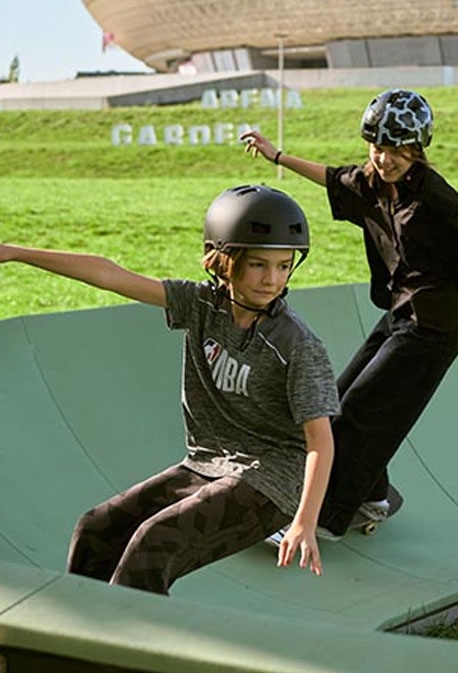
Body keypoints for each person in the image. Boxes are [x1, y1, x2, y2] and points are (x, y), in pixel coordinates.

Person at [0, 184, 339, 591]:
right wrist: (15, 252)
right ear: (224, 261)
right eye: (259, 265)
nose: (273, 280)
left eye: (284, 266)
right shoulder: (200, 305)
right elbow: (112, 276)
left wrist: (305, 519)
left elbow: (320, 440)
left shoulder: (296, 345)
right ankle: (77, 640)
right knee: (97, 529)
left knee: (154, 542)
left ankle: (127, 651)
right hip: (206, 464)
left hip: (271, 483)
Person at [240, 88, 458, 540]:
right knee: (336, 400)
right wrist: (276, 156)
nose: (385, 159)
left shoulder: (433, 194)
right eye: (377, 148)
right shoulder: (369, 184)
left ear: (416, 150)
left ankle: (326, 518)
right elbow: (330, 177)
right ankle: (373, 496)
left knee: (362, 414)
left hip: (437, 323)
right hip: (402, 311)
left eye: (396, 151)